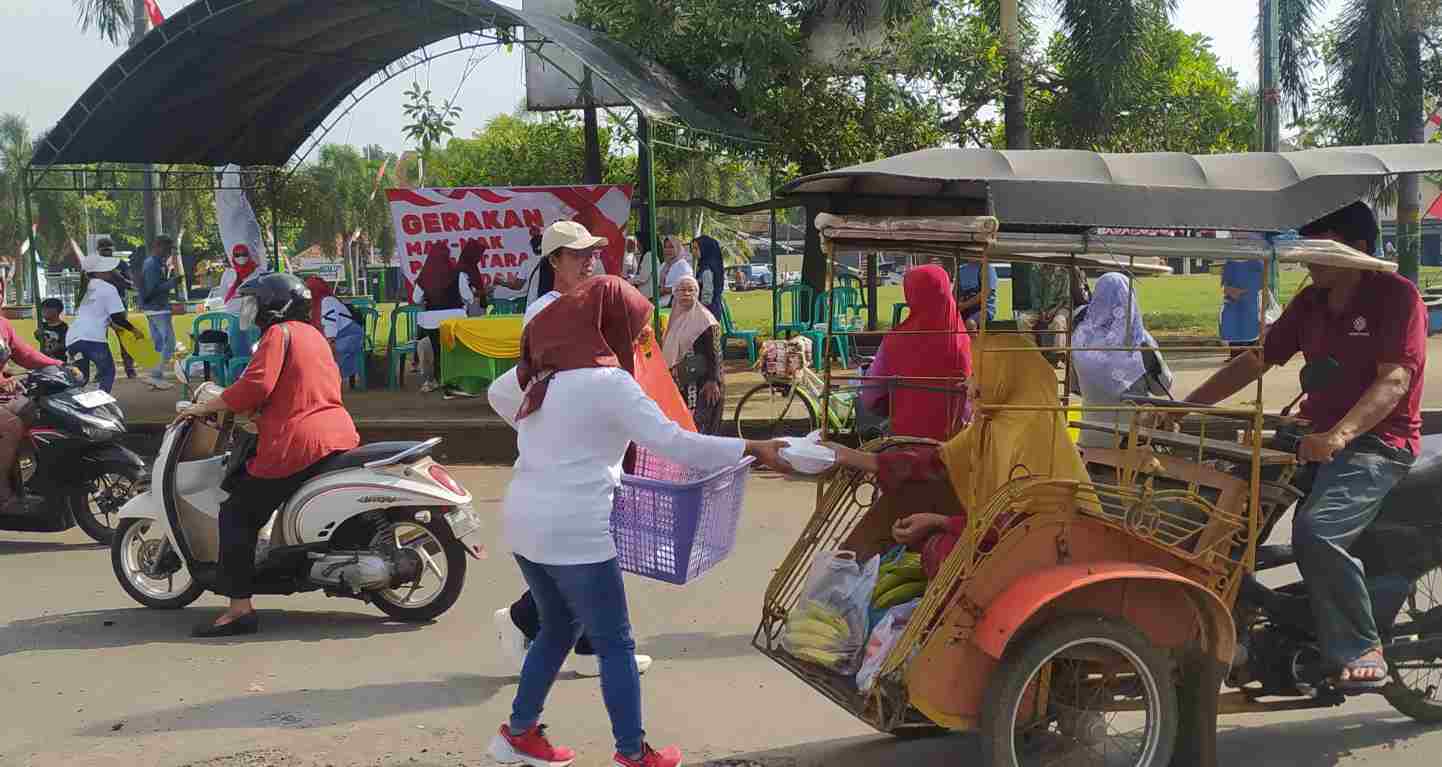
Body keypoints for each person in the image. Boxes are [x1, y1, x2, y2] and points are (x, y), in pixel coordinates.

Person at [486, 275, 787, 767]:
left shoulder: (540, 371)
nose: (639, 340)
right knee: (616, 643)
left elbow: (498, 398)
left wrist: (549, 440)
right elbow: (677, 444)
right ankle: (632, 754)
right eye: (636, 329)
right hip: (575, 530)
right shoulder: (609, 383)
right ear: (610, 328)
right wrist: (754, 448)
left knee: (558, 628)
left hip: (524, 520)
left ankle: (518, 734)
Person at [1173, 201, 1425, 691]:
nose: (1308, 260)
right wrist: (1188, 408)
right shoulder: (1311, 301)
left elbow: (1393, 381)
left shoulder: (1398, 298)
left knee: (1317, 532)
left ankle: (1360, 644)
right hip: (1313, 437)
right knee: (1225, 510)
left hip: (1378, 444)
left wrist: (1339, 436)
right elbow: (1256, 361)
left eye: (1318, 249)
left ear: (1357, 249)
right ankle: (1236, 610)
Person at [491, 221, 653, 679]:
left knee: (593, 546)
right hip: (573, 449)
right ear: (554, 261)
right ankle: (536, 622)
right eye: (578, 254)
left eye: (591, 254)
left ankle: (567, 636)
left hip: (600, 439)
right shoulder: (543, 312)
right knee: (588, 550)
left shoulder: (598, 302)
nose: (589, 261)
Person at [177, 273, 360, 638]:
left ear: (273, 306)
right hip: (335, 434)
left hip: (297, 442)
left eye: (255, 302)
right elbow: (295, 386)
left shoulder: (278, 334)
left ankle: (239, 609)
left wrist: (211, 406)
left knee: (237, 512)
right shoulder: (313, 335)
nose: (251, 310)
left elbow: (256, 384)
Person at [829, 333, 1095, 579]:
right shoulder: (995, 422)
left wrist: (940, 522)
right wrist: (851, 457)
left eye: (978, 374)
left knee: (942, 551)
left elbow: (1017, 523)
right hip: (1012, 536)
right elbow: (938, 462)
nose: (968, 385)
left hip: (1049, 546)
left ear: (1003, 378)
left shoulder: (1029, 433)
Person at [860, 265, 971, 441]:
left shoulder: (895, 341)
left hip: (907, 442)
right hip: (959, 442)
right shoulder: (963, 338)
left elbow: (870, 398)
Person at [1071, 273, 1170, 448]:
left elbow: (1074, 385)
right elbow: (1162, 387)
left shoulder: (1080, 337)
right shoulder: (1139, 340)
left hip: (1089, 437)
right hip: (1131, 440)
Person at [0, 276, 65, 514]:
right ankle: (3, 495)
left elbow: (26, 354)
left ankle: (25, 483)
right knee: (8, 425)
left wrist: (59, 365)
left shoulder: (3, 325)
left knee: (34, 410)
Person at [67, 250, 143, 394]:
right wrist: (134, 330)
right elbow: (118, 318)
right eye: (107, 269)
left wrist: (111, 323)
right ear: (98, 272)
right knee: (107, 373)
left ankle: (77, 408)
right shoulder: (108, 288)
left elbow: (95, 314)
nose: (111, 271)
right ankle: (99, 405)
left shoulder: (85, 289)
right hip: (93, 341)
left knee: (81, 378)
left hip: (73, 340)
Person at [662, 276, 724, 435]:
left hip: (704, 386)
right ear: (675, 293)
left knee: (699, 431)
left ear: (697, 294)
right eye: (682, 290)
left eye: (691, 290)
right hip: (684, 381)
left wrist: (713, 380)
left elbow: (715, 352)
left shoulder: (705, 320)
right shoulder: (675, 319)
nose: (686, 294)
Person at [414, 241, 466, 395]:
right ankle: (453, 381)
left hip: (431, 321)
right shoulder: (458, 274)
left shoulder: (423, 276)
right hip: (455, 320)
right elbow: (467, 296)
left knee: (436, 349)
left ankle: (435, 379)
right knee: (453, 350)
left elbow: (416, 298)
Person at [139, 235, 180, 391]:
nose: (169, 252)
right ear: (158, 246)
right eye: (168, 248)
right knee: (169, 343)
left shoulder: (154, 263)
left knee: (160, 343)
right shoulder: (152, 264)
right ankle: (156, 375)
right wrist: (172, 283)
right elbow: (153, 289)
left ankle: (156, 376)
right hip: (157, 308)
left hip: (154, 308)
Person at [307, 276, 365, 384]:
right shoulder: (313, 305)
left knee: (328, 352)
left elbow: (330, 336)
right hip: (334, 337)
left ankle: (330, 380)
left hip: (352, 335)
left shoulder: (327, 302)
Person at [1219, 259, 1265, 358]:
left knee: (1249, 328)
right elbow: (1225, 287)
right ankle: (1238, 356)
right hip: (1236, 304)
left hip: (1249, 304)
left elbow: (1261, 285)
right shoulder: (1230, 264)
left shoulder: (1257, 264)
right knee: (1237, 329)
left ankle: (1248, 356)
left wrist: (1238, 292)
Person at [218, 243, 262, 314]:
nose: (241, 257)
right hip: (232, 311)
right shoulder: (228, 273)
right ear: (233, 256)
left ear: (248, 255)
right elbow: (223, 292)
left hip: (251, 312)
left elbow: (262, 291)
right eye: (237, 255)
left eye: (244, 254)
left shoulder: (257, 271)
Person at [955, 260, 998, 332]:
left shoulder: (986, 268)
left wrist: (964, 305)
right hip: (964, 308)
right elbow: (956, 292)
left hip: (984, 309)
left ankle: (975, 343)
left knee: (970, 323)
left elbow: (986, 292)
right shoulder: (960, 269)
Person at [692, 235, 726, 318]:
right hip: (712, 310)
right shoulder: (711, 266)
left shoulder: (707, 269)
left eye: (696, 248)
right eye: (692, 248)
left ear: (705, 249)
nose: (693, 252)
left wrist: (700, 310)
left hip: (708, 312)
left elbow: (707, 295)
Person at [657, 236, 693, 308]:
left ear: (677, 248)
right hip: (661, 300)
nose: (668, 250)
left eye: (671, 247)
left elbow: (687, 286)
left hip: (676, 303)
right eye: (666, 247)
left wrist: (668, 290)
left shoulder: (683, 265)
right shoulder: (664, 265)